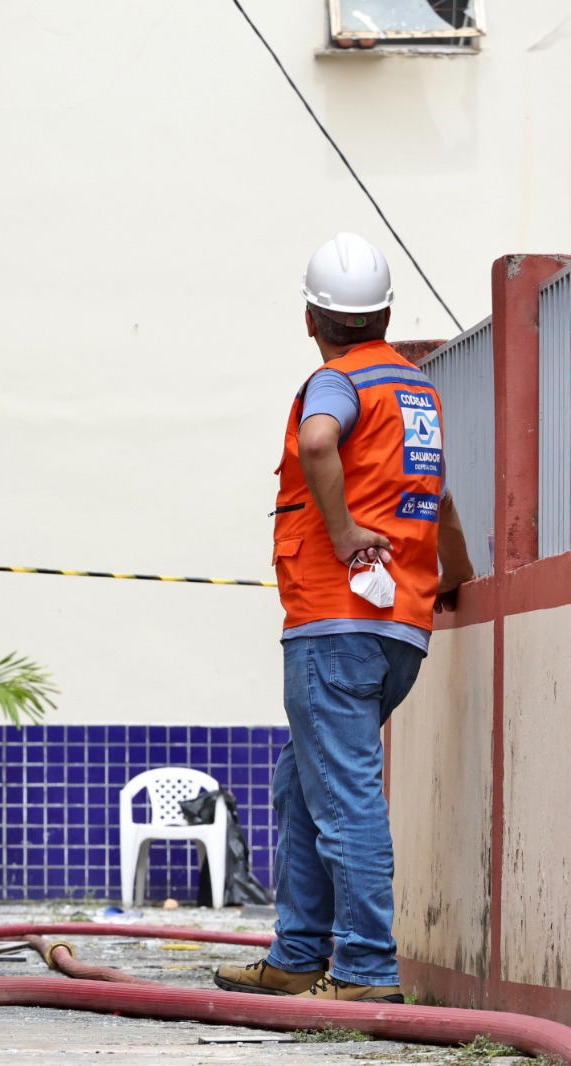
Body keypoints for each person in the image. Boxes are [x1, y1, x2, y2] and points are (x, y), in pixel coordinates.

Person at [215, 233, 474, 1003]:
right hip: (398, 631)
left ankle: (363, 971)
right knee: (302, 783)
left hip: (335, 624)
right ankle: (297, 956)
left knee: (346, 795)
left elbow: (319, 441)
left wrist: (339, 532)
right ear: (387, 313)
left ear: (310, 318)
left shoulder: (337, 383)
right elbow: (441, 503)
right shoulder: (415, 390)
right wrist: (452, 582)